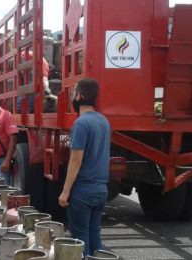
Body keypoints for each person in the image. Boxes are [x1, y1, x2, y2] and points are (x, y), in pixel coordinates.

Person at [58, 78, 111, 257]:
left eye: (74, 92)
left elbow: (75, 160)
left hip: (83, 190)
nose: (72, 95)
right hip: (101, 189)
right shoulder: (104, 121)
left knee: (80, 240)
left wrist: (65, 191)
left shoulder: (81, 123)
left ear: (80, 95)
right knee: (95, 235)